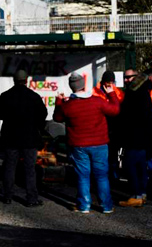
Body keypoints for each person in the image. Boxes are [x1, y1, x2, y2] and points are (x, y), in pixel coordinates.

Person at [53, 72, 120, 214]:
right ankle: (106, 206)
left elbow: (57, 117)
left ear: (72, 87)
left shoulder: (68, 106)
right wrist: (111, 94)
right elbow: (115, 110)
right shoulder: (97, 101)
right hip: (100, 144)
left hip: (79, 146)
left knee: (83, 176)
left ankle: (84, 206)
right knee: (101, 176)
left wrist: (59, 101)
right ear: (84, 86)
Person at [0, 70, 47, 207]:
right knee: (30, 169)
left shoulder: (5, 96)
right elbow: (43, 115)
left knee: (10, 167)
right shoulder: (33, 96)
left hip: (10, 137)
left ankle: (7, 196)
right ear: (26, 80)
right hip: (29, 138)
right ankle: (31, 198)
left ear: (14, 80)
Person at [117, 69, 152, 207]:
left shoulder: (134, 93)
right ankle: (142, 194)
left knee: (130, 166)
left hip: (134, 137)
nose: (126, 80)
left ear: (136, 77)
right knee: (141, 167)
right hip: (144, 138)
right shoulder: (144, 91)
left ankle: (136, 195)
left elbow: (128, 116)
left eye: (128, 77)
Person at [92, 71, 125, 182]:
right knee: (101, 154)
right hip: (100, 127)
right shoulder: (95, 92)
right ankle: (102, 174)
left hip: (114, 127)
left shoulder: (118, 93)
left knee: (113, 152)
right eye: (107, 82)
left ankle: (114, 174)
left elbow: (119, 109)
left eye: (111, 82)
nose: (109, 84)